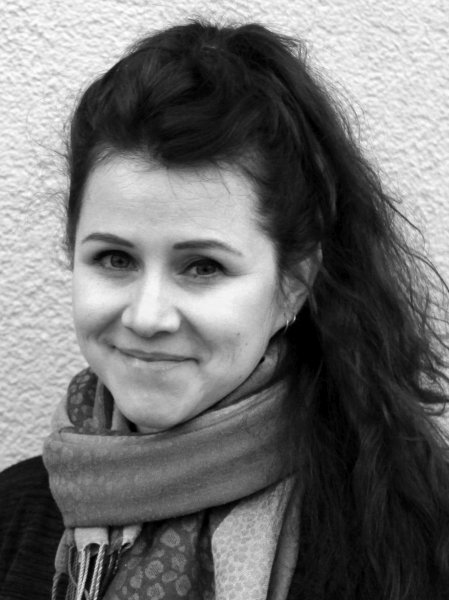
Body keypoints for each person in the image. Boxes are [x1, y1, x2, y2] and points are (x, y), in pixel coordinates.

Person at [1, 19, 449, 600]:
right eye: (115, 259)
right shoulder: (13, 517)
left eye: (202, 267)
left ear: (293, 284)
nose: (147, 317)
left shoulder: (409, 534)